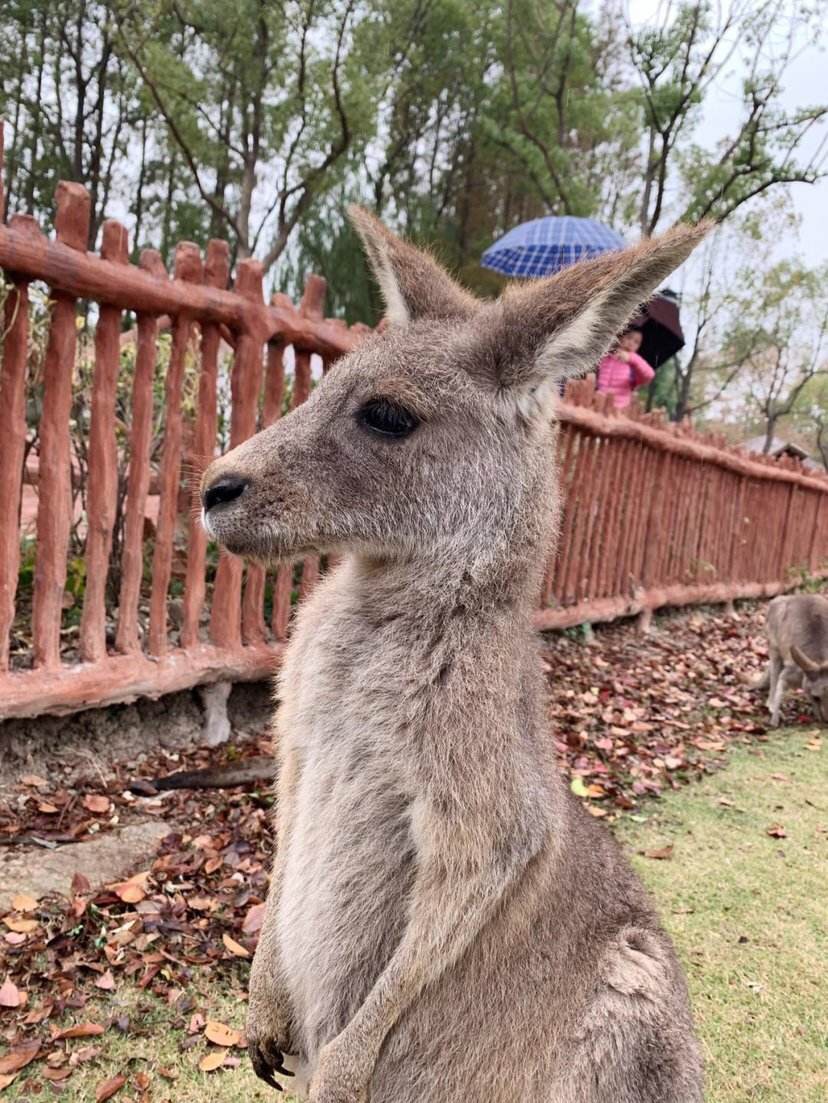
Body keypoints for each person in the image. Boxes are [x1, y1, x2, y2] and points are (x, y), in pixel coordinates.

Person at [596, 327, 654, 409]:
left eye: (636, 342)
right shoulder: (607, 356)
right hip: (600, 403)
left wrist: (631, 359)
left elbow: (650, 374)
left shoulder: (635, 363)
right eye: (629, 337)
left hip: (619, 408)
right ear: (620, 337)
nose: (631, 343)